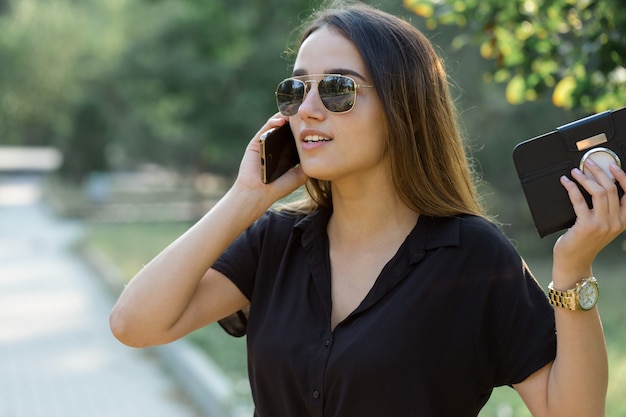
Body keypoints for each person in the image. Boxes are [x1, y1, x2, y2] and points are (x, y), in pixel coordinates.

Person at [109, 1, 626, 416]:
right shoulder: (274, 241)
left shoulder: (472, 257)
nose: (306, 108)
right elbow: (135, 324)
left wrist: (573, 269)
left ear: (406, 109)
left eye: (336, 89)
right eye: (295, 89)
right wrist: (247, 197)